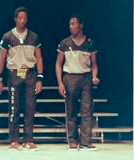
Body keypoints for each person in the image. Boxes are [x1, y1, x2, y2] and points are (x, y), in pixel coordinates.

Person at [0, 7, 43, 151]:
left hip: (30, 74)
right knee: (14, 107)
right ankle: (14, 139)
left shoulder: (34, 36)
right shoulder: (7, 36)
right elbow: (1, 58)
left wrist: (40, 78)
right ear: (15, 18)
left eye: (25, 18)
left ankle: (29, 139)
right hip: (14, 73)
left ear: (27, 19)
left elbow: (39, 58)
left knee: (30, 107)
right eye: (19, 18)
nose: (22, 20)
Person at [55, 13, 100, 150]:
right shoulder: (64, 43)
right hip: (70, 77)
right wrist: (60, 83)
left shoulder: (90, 43)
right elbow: (58, 63)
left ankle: (86, 141)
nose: (71, 26)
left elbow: (94, 64)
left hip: (86, 78)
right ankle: (72, 140)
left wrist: (94, 76)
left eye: (74, 24)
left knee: (87, 110)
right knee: (71, 110)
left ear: (81, 25)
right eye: (70, 24)